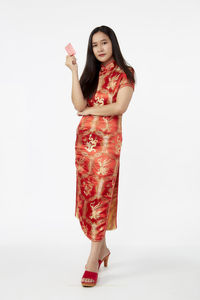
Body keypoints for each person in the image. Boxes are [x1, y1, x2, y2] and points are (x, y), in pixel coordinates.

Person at [65, 25, 136, 287]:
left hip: (107, 147)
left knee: (100, 196)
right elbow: (78, 105)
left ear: (112, 43)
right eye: (95, 45)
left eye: (104, 43)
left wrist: (91, 112)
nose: (100, 49)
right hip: (84, 145)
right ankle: (103, 248)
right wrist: (74, 71)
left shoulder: (125, 73)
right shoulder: (91, 74)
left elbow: (120, 107)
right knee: (88, 196)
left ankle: (92, 259)